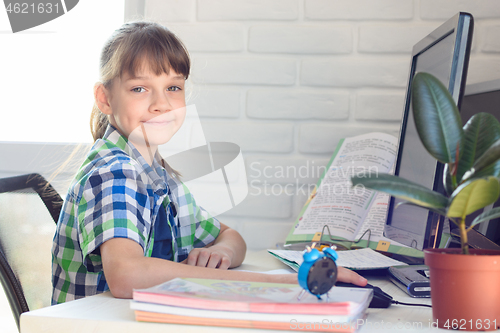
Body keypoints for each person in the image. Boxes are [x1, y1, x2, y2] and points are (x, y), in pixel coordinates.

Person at [51, 21, 367, 305]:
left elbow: (232, 237)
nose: (161, 104)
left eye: (173, 87)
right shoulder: (114, 173)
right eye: (139, 88)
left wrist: (220, 253)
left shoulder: (159, 176)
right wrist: (276, 283)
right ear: (105, 98)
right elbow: (126, 274)